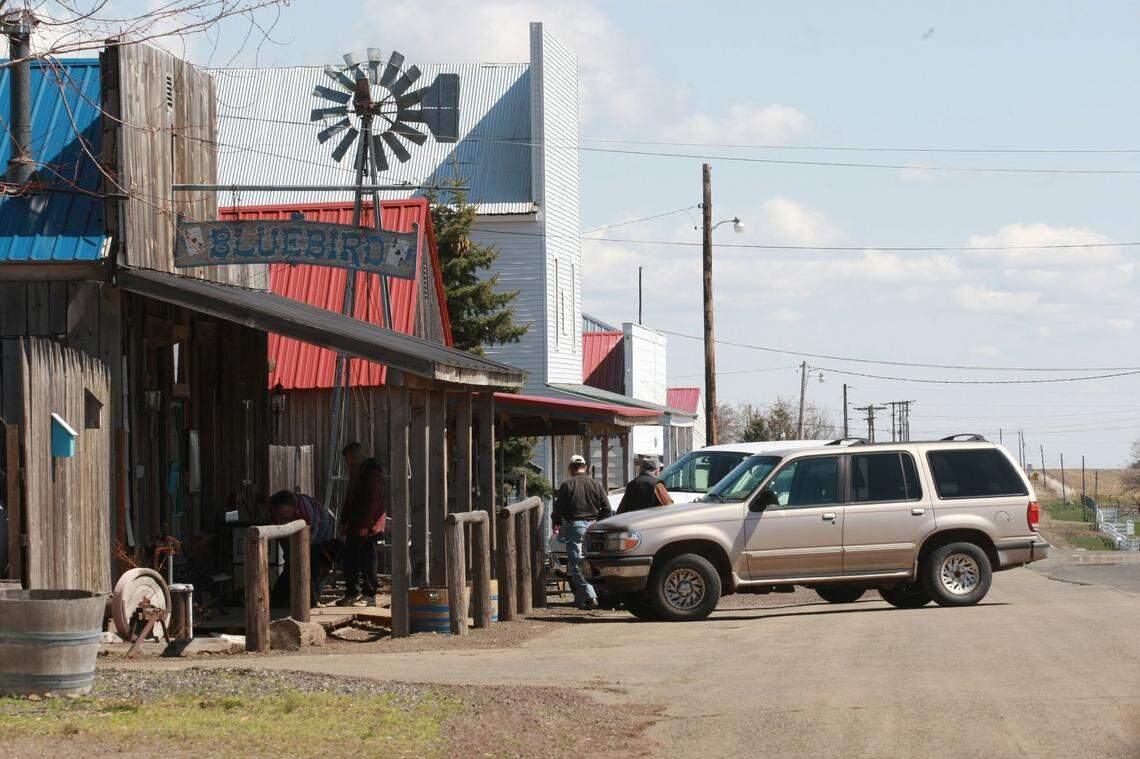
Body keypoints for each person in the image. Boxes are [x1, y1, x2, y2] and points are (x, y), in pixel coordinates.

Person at [552, 454, 612, 610]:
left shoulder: (567, 485)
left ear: (570, 469)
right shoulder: (596, 485)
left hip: (575, 526)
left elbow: (558, 510)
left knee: (577, 564)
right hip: (593, 526)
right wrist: (598, 523)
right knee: (591, 562)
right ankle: (585, 598)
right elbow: (607, 509)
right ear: (585, 467)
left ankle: (590, 595)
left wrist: (556, 521)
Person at [268, 490, 340, 607]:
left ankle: (312, 600)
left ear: (293, 507)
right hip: (291, 529)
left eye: (286, 512)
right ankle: (284, 598)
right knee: (290, 563)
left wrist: (302, 555)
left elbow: (308, 539)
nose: (284, 515)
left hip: (320, 526)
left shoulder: (306, 510)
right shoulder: (274, 511)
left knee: (317, 563)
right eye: (281, 513)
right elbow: (278, 530)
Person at [338, 442, 388, 607]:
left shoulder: (373, 473)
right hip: (355, 523)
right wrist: (344, 521)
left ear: (354, 456)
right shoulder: (357, 472)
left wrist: (365, 525)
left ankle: (369, 595)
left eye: (348, 459)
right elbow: (349, 498)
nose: (347, 464)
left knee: (367, 559)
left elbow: (373, 502)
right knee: (349, 558)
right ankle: (352, 592)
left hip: (368, 525)